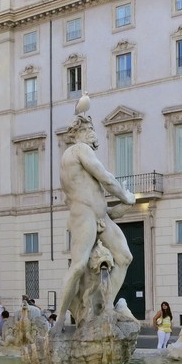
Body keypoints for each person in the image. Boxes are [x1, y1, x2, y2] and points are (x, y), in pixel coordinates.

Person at [53, 114, 136, 332]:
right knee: (79, 265)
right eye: (88, 129)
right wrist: (125, 196)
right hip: (84, 214)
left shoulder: (81, 156)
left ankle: (104, 306)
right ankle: (60, 320)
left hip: (100, 216)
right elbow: (106, 178)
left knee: (125, 256)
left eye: (92, 129)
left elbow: (107, 209)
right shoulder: (78, 150)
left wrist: (125, 206)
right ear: (76, 133)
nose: (92, 133)